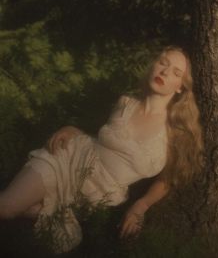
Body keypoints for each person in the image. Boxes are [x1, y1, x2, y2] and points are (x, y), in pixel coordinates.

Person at [0, 46, 204, 253]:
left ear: (180, 87)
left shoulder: (175, 132)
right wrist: (72, 129)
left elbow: (169, 178)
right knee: (6, 208)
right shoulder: (125, 103)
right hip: (66, 160)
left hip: (95, 195)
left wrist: (141, 206)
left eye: (176, 73)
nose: (165, 72)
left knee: (44, 225)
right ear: (154, 65)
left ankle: (48, 212)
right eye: (163, 63)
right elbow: (98, 136)